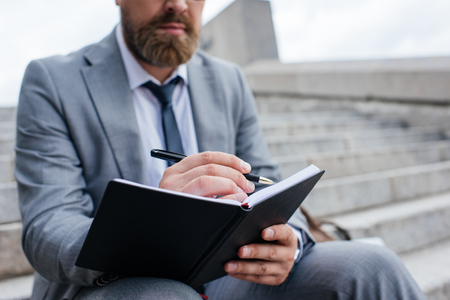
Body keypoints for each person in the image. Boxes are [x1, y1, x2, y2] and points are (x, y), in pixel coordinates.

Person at [15, 0, 426, 299]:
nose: (178, 5)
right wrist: (148, 225)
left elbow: (266, 178)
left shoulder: (229, 80)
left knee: (373, 266)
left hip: (228, 269)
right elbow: (48, 226)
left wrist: (290, 240)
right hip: (114, 283)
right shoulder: (53, 81)